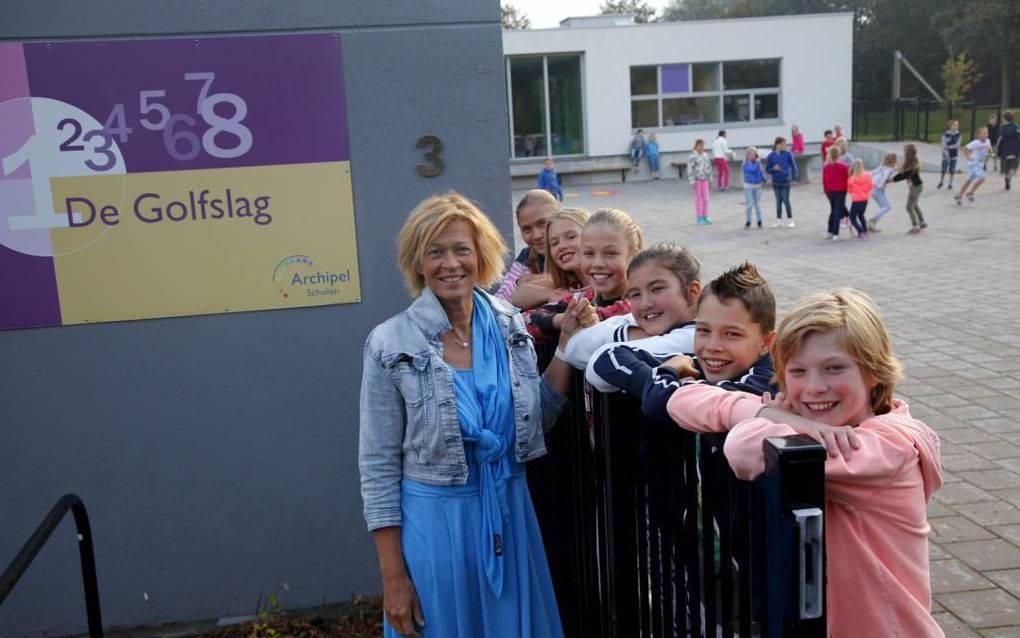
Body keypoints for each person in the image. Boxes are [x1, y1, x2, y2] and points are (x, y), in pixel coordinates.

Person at [359, 192, 590, 638]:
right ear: (417, 261)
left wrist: (566, 347)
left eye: (462, 249)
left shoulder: (509, 325)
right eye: (436, 251)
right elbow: (377, 468)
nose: (451, 264)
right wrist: (394, 580)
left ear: (480, 254)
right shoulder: (390, 344)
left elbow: (534, 421)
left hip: (511, 516)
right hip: (435, 530)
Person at [666, 288, 943, 638]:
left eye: (834, 369)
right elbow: (681, 399)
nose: (814, 387)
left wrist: (784, 420)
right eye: (797, 371)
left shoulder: (884, 448)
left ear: (874, 370)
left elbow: (742, 447)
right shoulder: (830, 428)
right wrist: (768, 412)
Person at [592, 261, 777, 425]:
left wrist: (665, 375)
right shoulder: (694, 364)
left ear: (766, 343)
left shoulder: (764, 382)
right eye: (703, 330)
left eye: (731, 334)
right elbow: (609, 357)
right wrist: (668, 374)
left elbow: (660, 402)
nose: (712, 346)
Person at [560, 241, 702, 373]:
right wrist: (631, 334)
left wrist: (620, 339)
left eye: (657, 289)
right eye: (635, 294)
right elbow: (573, 348)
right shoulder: (635, 324)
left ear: (692, 292)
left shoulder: (698, 337)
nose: (645, 304)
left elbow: (601, 364)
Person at [527, 208, 642, 341]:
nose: (598, 263)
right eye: (589, 254)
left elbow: (609, 318)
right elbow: (525, 322)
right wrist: (562, 319)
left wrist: (577, 317)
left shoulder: (641, 304)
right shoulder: (585, 296)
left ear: (633, 254)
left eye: (610, 253)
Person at [495, 190, 557, 305]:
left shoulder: (571, 252)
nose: (536, 235)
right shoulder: (527, 258)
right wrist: (519, 284)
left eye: (542, 223)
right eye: (527, 229)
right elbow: (500, 302)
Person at [892, 144, 926, 234]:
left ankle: (915, 226)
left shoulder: (911, 163)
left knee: (909, 207)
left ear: (908, 153)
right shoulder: (913, 161)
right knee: (914, 205)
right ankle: (922, 222)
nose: (903, 152)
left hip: (915, 187)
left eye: (904, 151)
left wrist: (892, 180)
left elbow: (904, 175)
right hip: (918, 186)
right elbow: (903, 173)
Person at [955, 127, 993, 205]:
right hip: (973, 164)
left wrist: (990, 156)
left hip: (980, 165)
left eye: (986, 133)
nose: (986, 135)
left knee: (969, 180)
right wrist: (969, 157)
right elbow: (965, 149)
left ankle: (959, 195)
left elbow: (990, 151)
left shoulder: (988, 141)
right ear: (978, 135)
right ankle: (970, 192)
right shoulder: (975, 143)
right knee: (982, 178)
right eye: (983, 133)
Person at [766, 136, 798, 228]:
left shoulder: (788, 154)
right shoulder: (771, 156)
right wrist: (773, 169)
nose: (784, 146)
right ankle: (778, 220)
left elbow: (793, 166)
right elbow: (767, 169)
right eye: (782, 144)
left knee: (786, 199)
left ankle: (790, 220)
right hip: (776, 181)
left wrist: (794, 178)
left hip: (786, 180)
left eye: (785, 144)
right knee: (778, 201)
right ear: (777, 145)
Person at [822, 146, 849, 241]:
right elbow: (847, 180)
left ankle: (830, 231)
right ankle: (835, 233)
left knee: (833, 211)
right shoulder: (844, 166)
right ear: (839, 155)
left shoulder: (826, 167)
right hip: (841, 191)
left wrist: (826, 192)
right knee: (836, 212)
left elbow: (824, 181)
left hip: (830, 191)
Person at [867, 153, 897, 232]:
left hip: (873, 190)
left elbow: (872, 173)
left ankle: (872, 225)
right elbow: (884, 178)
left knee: (883, 208)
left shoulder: (882, 167)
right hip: (878, 190)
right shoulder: (890, 169)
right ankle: (872, 220)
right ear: (893, 161)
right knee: (887, 207)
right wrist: (880, 186)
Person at [688, 139, 713, 225]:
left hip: (705, 180)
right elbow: (690, 169)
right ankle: (699, 217)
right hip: (697, 180)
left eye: (703, 146)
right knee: (698, 199)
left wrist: (710, 178)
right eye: (700, 146)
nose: (702, 147)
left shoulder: (706, 155)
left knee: (706, 199)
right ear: (696, 146)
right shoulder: (692, 157)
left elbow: (709, 167)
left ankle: (705, 216)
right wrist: (692, 181)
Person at [847, 159, 872, 240]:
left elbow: (850, 191)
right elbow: (870, 187)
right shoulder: (868, 175)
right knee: (861, 215)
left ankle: (860, 231)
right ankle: (865, 230)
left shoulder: (851, 178)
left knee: (852, 217)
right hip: (865, 199)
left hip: (856, 200)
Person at [742, 146, 766, 229]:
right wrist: (757, 164)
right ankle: (748, 221)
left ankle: (760, 221)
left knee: (758, 205)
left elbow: (762, 172)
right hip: (748, 186)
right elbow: (751, 170)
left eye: (753, 154)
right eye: (750, 154)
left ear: (756, 155)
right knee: (749, 205)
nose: (752, 156)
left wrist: (764, 180)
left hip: (758, 186)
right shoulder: (745, 163)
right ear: (747, 155)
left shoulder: (759, 163)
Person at [997, 110, 1020, 191]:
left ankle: (1007, 178)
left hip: (1005, 151)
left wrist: (998, 152)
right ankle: (1009, 178)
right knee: (1013, 167)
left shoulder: (1002, 128)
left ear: (1004, 118)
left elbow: (1000, 141)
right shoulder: (1016, 127)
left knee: (1005, 168)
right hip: (1015, 150)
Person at [937, 119, 961, 190]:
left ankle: (950, 183)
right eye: (955, 125)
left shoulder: (958, 134)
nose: (957, 127)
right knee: (943, 169)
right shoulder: (945, 134)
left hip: (954, 154)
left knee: (952, 169)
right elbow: (943, 144)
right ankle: (941, 181)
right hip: (946, 154)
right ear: (950, 126)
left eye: (957, 125)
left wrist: (949, 147)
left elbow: (957, 145)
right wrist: (946, 151)